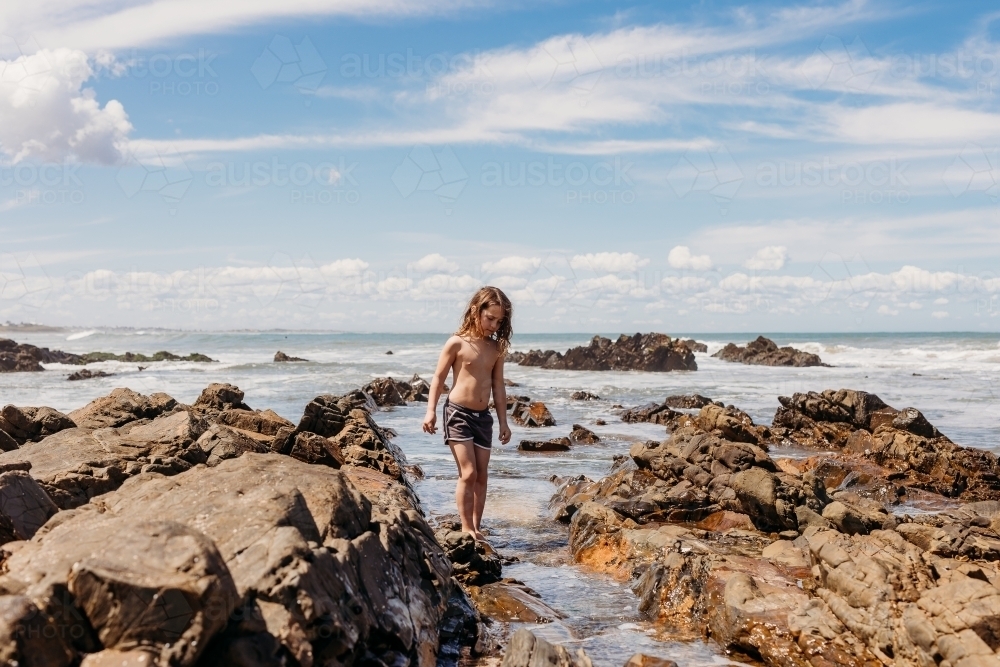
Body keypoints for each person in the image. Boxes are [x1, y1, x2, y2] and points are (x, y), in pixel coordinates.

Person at [423, 286, 512, 541]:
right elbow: (438, 378)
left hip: (484, 418)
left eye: (499, 321)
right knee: (469, 473)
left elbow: (498, 386)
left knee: (482, 475)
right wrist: (430, 412)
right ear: (476, 310)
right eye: (490, 318)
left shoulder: (496, 349)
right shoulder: (457, 343)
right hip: (457, 414)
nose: (494, 325)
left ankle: (476, 526)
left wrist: (504, 421)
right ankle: (465, 528)